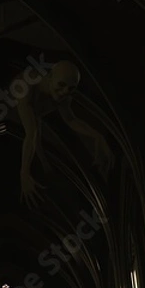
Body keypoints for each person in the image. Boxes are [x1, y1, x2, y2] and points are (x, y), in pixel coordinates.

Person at [14, 60, 114, 208]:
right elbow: (32, 133)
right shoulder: (27, 87)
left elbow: (71, 120)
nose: (65, 92)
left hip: (35, 118)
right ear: (49, 78)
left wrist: (97, 136)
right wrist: (24, 172)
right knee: (35, 139)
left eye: (71, 88)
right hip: (12, 109)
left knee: (44, 159)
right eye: (61, 85)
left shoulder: (64, 95)